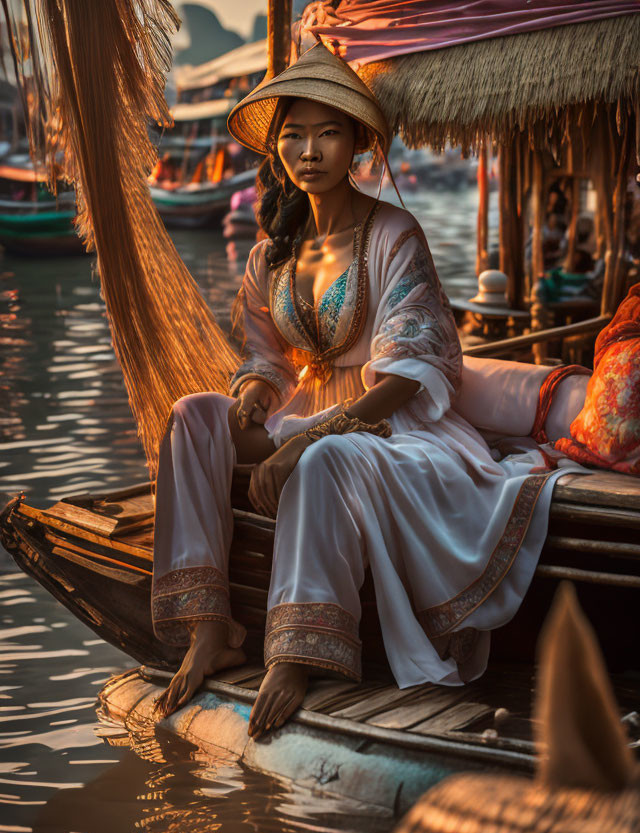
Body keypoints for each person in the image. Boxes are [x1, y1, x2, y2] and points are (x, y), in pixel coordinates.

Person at [150, 43, 575, 739]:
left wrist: (310, 437)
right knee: (194, 417)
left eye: (327, 132)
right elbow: (268, 358)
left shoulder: (393, 233)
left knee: (321, 460)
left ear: (357, 144)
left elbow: (411, 375)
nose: (308, 150)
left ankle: (298, 652)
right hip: (310, 411)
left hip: (394, 426)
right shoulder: (271, 253)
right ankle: (209, 628)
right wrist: (257, 393)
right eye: (293, 134)